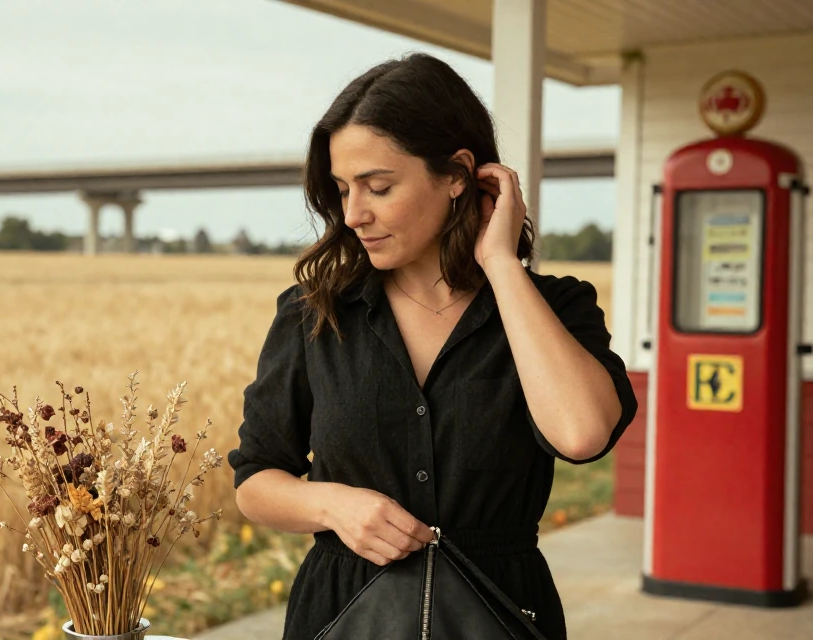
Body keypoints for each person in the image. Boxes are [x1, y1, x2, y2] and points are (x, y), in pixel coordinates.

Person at [226, 52, 639, 640]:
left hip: (497, 616)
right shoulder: (313, 314)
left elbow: (582, 434)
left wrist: (500, 263)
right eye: (343, 189)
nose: (354, 214)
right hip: (344, 619)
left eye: (379, 186)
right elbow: (256, 481)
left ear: (456, 174)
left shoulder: (554, 308)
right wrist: (333, 506)